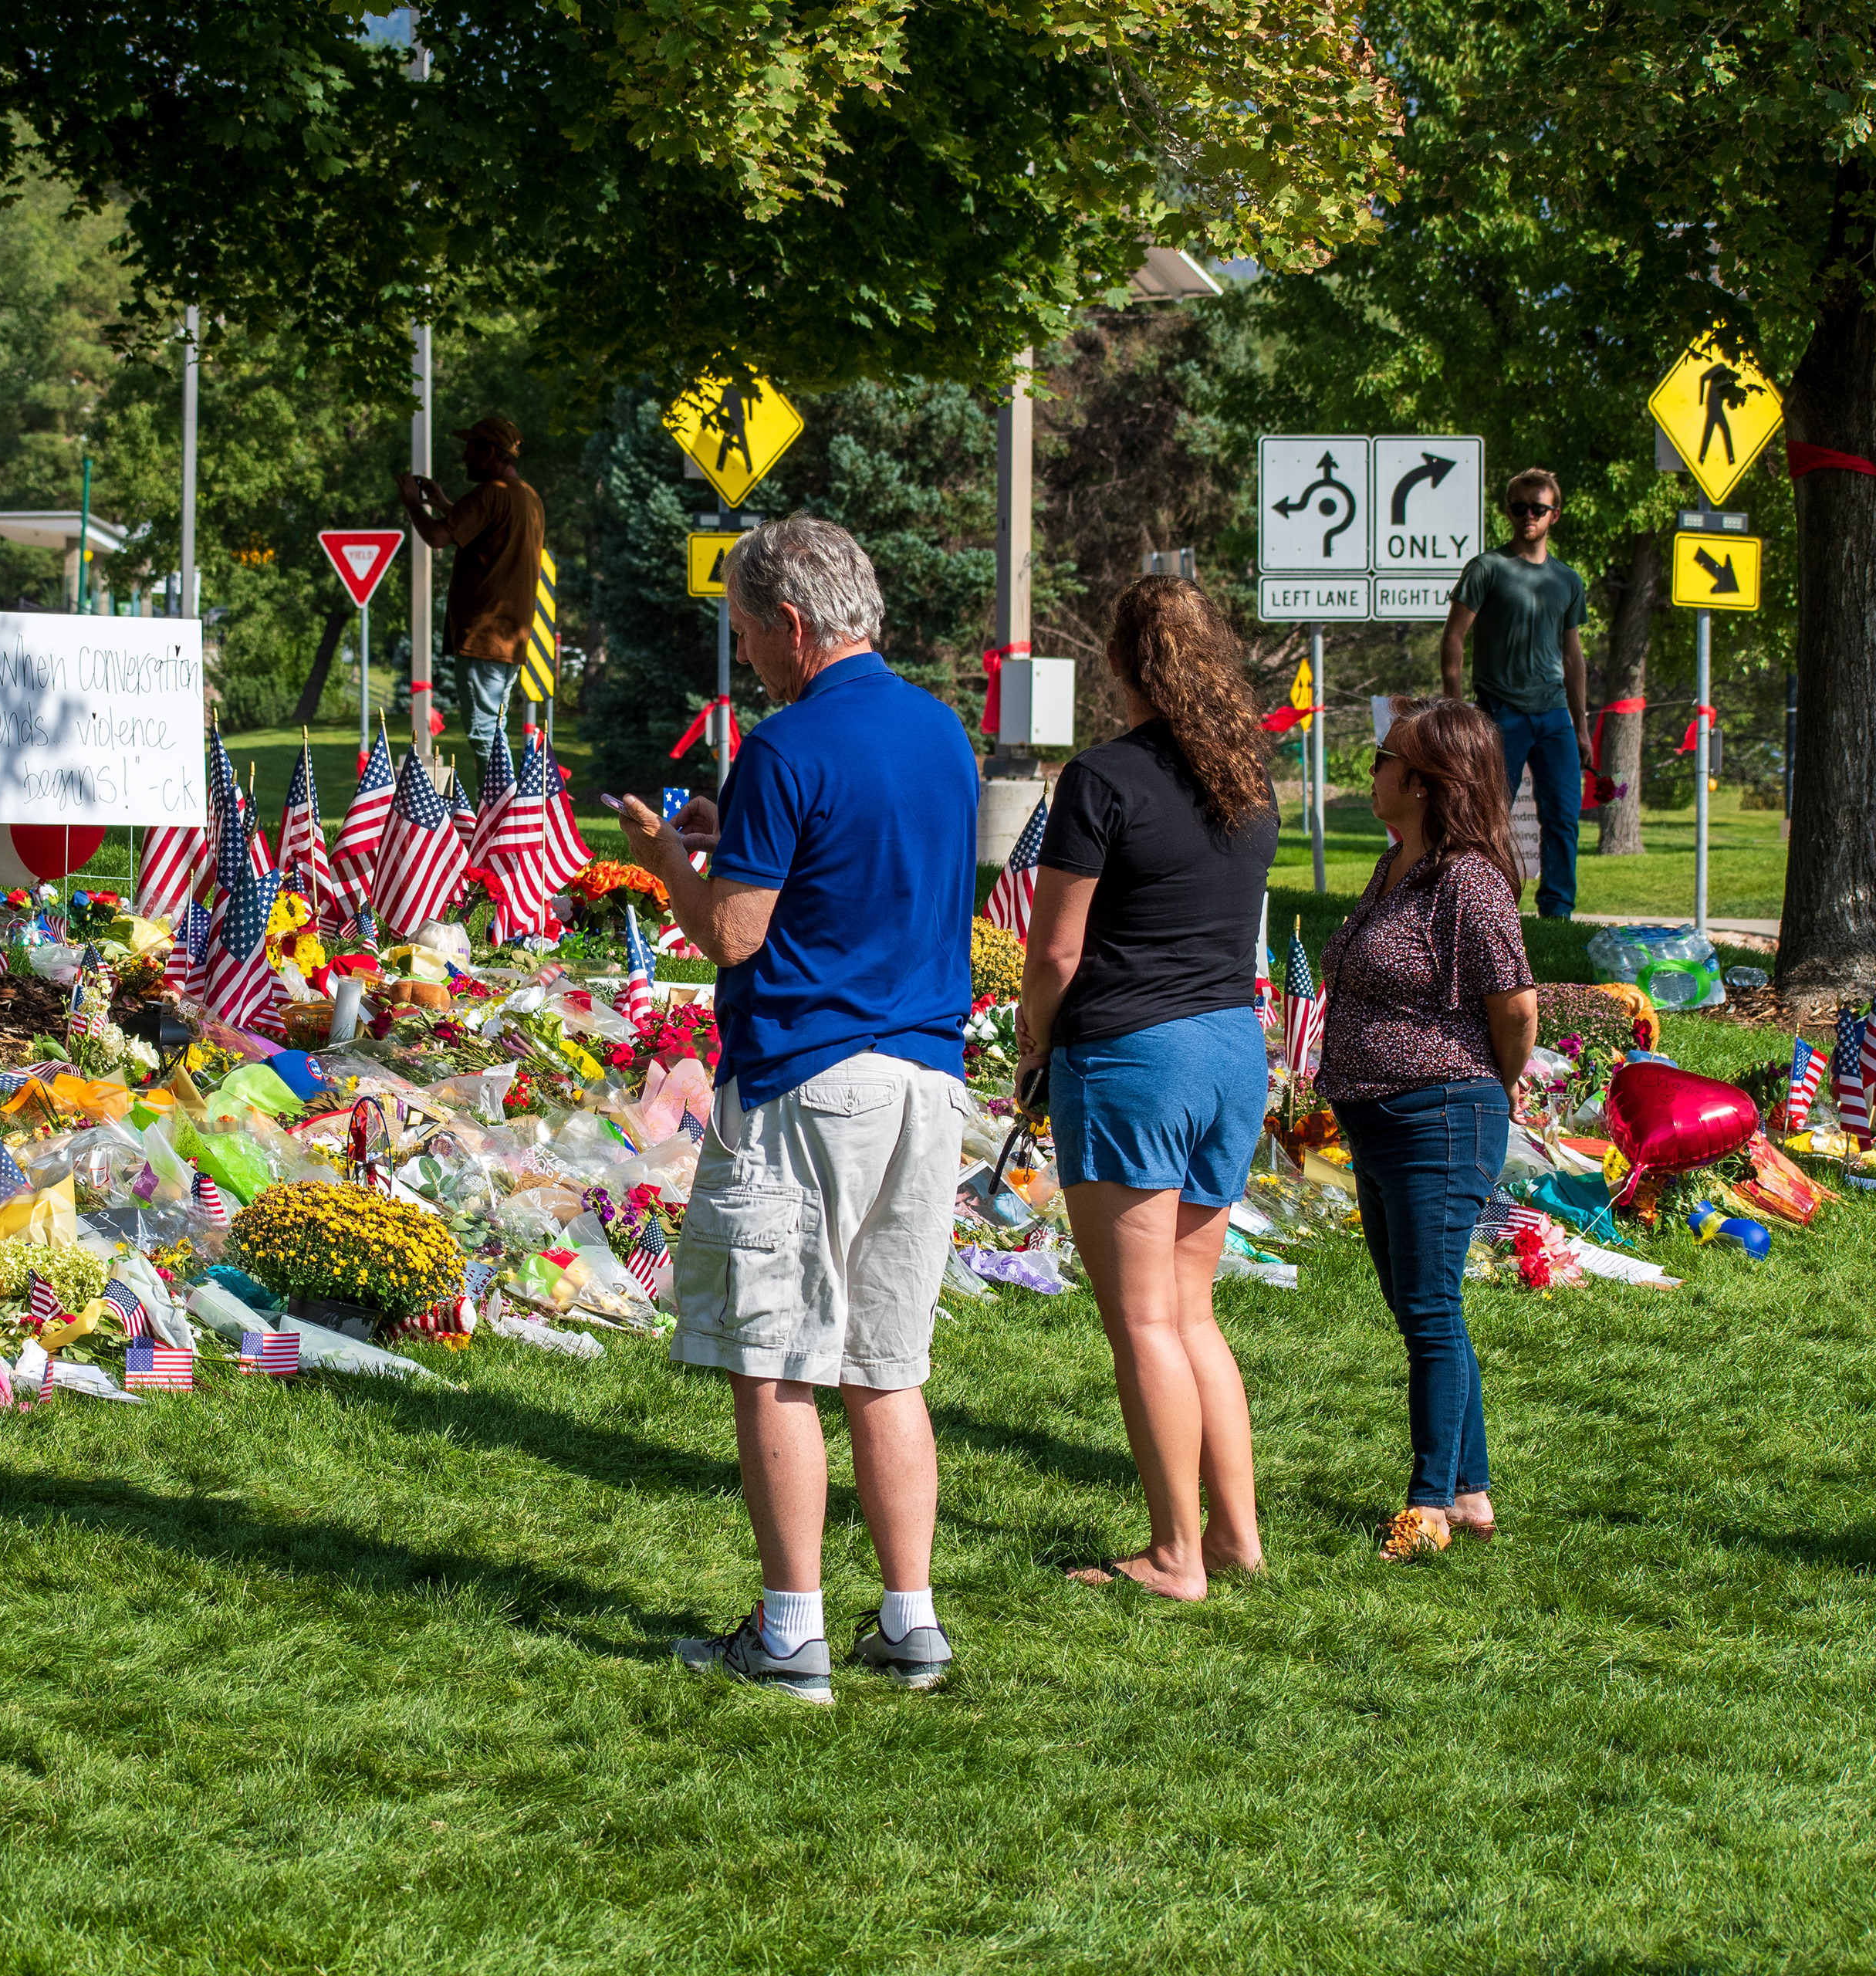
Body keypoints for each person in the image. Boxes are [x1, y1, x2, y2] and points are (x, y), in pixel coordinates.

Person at [617, 514, 980, 1703]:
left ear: (791, 625)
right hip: (927, 1077)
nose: (747, 660)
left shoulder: (785, 744)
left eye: (745, 635)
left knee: (775, 1358)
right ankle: (911, 1623)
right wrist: (736, 850)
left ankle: (790, 1633)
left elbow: (732, 931)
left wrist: (668, 856)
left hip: (808, 1079)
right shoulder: (942, 735)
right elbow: (861, 869)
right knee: (888, 1361)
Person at [1015, 577, 1278, 1601]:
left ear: (1118, 663)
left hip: (1133, 1055)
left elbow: (1056, 948)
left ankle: (1173, 1555)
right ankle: (1235, 1536)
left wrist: (1031, 1043)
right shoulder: (1246, 779)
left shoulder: (1100, 779)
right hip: (1229, 1050)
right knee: (1194, 1312)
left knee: (1145, 1326)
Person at [1316, 699, 1539, 1562]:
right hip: (1378, 1117)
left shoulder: (1468, 881)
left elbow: (1515, 1004)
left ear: (1428, 779)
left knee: (1430, 1309)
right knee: (1422, 1309)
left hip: (1440, 1115)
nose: (1372, 770)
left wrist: (1491, 1086)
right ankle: (1472, 1491)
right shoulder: (1394, 866)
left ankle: (1429, 1507)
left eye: (1385, 757)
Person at [1439, 468, 1587, 919]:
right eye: (1519, 507)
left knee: (1563, 818)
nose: (1528, 515)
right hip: (1499, 711)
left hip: (1555, 714)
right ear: (1508, 512)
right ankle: (1489, 907)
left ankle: (1558, 911)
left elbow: (1574, 655)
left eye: (1537, 509)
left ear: (1554, 516)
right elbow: (1453, 637)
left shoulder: (1567, 580)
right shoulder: (1487, 568)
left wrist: (1581, 726)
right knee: (1489, 817)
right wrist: (1455, 706)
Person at [396, 415, 545, 756]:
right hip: (510, 637)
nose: (464, 458)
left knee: (484, 737)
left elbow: (437, 537)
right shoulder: (528, 498)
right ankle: (503, 805)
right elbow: (477, 530)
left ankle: (499, 809)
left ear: (489, 452)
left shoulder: (487, 494)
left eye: (470, 450)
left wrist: (412, 504)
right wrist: (441, 502)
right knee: (494, 730)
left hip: (484, 637)